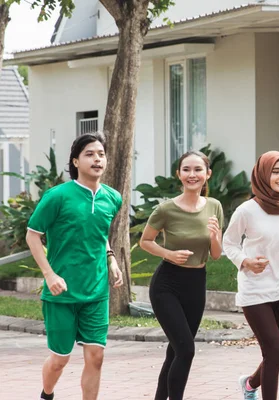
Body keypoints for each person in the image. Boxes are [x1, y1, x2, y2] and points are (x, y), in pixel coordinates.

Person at [26, 132, 123, 400]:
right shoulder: (57, 196)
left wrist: (111, 258)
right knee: (60, 359)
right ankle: (47, 394)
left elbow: (99, 232)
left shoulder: (113, 198)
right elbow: (32, 235)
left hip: (96, 290)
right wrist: (49, 274)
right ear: (76, 162)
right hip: (61, 292)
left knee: (96, 355)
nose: (97, 159)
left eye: (101, 154)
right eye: (89, 154)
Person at [223, 151, 279, 400]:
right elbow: (229, 243)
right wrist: (245, 262)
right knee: (274, 350)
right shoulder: (247, 210)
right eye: (276, 171)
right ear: (263, 174)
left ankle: (251, 384)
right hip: (255, 288)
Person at [139, 150, 223, 400]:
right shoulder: (166, 209)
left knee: (175, 351)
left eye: (198, 170)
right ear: (179, 174)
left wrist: (216, 237)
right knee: (186, 350)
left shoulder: (214, 206)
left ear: (207, 174)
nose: (192, 174)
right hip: (167, 284)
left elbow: (216, 254)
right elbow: (145, 241)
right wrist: (168, 254)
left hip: (196, 284)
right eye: (186, 169)